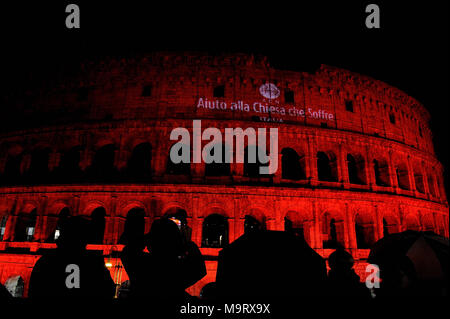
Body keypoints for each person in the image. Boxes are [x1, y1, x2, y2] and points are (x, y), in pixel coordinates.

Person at [28, 216, 115, 298]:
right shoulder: (92, 262)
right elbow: (109, 290)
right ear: (83, 239)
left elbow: (33, 291)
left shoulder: (45, 261)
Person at [121, 217, 206, 300]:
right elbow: (199, 268)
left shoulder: (140, 263)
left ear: (150, 242)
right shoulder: (178, 269)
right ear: (177, 244)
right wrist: (186, 242)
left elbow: (128, 250)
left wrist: (149, 236)